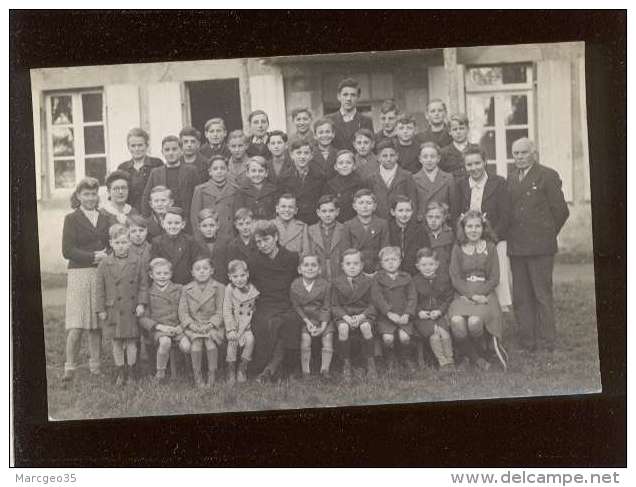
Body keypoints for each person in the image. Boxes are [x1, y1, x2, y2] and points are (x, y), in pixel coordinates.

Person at [506, 138, 569, 352]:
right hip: (517, 248)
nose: (519, 157)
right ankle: (527, 340)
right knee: (521, 295)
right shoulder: (512, 177)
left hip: (540, 248)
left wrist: (546, 235)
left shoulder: (547, 175)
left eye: (524, 152)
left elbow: (561, 211)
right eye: (516, 153)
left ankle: (547, 340)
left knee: (541, 293)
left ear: (534, 153)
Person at [61, 177, 110, 383]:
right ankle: (69, 367)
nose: (90, 198)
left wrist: (106, 255)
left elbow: (111, 242)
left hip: (99, 273)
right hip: (79, 273)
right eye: (86, 194)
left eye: (93, 194)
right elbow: (67, 251)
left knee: (95, 323)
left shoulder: (105, 217)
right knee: (77, 324)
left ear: (97, 195)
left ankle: (95, 365)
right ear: (78, 196)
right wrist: (92, 256)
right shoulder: (71, 218)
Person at [448, 210, 506, 370]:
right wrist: (471, 295)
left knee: (474, 323)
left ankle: (478, 353)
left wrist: (480, 295)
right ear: (463, 228)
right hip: (463, 293)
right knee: (457, 323)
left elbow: (494, 278)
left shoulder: (491, 247)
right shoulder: (458, 248)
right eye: (469, 226)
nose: (473, 230)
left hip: (485, 294)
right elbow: (455, 277)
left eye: (477, 226)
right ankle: (475, 357)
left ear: (483, 228)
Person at [455, 147, 512, 309]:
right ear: (465, 166)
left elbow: (505, 216)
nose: (474, 168)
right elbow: (455, 214)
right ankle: (474, 310)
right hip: (468, 239)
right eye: (469, 165)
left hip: (495, 239)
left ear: (485, 162)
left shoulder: (498, 183)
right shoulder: (461, 185)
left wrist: (492, 238)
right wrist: (465, 237)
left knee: (498, 275)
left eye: (477, 163)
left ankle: (501, 309)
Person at [247, 221, 302, 381]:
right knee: (267, 323)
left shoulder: (292, 257)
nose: (263, 245)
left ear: (276, 237)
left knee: (290, 321)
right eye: (258, 242)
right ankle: (272, 367)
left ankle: (276, 368)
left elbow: (298, 283)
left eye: (266, 240)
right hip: (265, 304)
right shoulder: (254, 261)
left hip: (287, 303)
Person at [96, 224, 148, 385]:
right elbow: (99, 288)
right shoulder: (104, 263)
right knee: (117, 341)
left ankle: (131, 371)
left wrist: (141, 303)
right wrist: (100, 309)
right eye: (117, 243)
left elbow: (143, 285)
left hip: (131, 308)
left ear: (129, 243)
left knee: (132, 341)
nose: (121, 246)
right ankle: (120, 371)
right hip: (113, 309)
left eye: (124, 242)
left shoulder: (137, 261)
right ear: (111, 243)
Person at [138, 258, 191, 383]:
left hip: (178, 327)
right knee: (165, 341)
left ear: (171, 274)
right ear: (151, 275)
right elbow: (143, 318)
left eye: (166, 273)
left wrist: (182, 326)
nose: (162, 276)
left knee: (187, 346)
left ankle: (190, 371)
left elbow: (187, 310)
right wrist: (159, 327)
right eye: (158, 273)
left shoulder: (179, 289)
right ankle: (160, 373)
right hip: (159, 329)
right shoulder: (148, 293)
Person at [331, 249, 378, 382]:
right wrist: (345, 317)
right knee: (343, 328)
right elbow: (334, 305)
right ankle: (346, 364)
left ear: (362, 265)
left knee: (365, 327)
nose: (352, 267)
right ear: (342, 265)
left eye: (356, 263)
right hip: (344, 315)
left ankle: (371, 363)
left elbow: (374, 304)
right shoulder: (336, 282)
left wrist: (362, 316)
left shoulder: (369, 281)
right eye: (348, 263)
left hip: (364, 313)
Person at [179, 255, 225, 387]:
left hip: (213, 325)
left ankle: (212, 374)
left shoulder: (219, 288)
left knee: (211, 344)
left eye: (206, 268)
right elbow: (183, 312)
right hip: (193, 326)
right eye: (198, 269)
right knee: (196, 344)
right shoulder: (186, 289)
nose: (202, 271)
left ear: (212, 271)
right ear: (192, 272)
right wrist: (191, 325)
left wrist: (211, 324)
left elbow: (220, 310)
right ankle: (197, 376)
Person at [371, 246, 417, 372]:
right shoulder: (378, 278)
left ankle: (405, 357)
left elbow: (412, 297)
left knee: (405, 338)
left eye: (394, 259)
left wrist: (407, 314)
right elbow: (377, 298)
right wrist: (388, 313)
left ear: (400, 261)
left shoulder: (406, 277)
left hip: (403, 315)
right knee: (388, 338)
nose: (391, 263)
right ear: (381, 263)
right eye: (386, 260)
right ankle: (390, 357)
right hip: (386, 317)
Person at [290, 254, 334, 380]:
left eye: (314, 265)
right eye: (306, 265)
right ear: (299, 269)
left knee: (328, 337)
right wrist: (307, 322)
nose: (310, 268)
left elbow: (326, 307)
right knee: (305, 339)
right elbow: (296, 306)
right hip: (305, 319)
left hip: (322, 318)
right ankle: (306, 371)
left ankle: (325, 369)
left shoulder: (325, 285)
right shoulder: (295, 285)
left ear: (319, 269)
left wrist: (323, 326)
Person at [141, 135, 200, 225]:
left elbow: (198, 196)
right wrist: (150, 221)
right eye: (167, 150)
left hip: (186, 221)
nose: (171, 153)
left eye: (174, 149)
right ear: (162, 152)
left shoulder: (191, 171)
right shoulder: (156, 173)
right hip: (163, 222)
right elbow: (146, 198)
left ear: (181, 151)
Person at [412, 248, 455, 370]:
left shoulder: (443, 279)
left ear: (437, 265)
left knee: (444, 332)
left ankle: (450, 359)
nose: (427, 268)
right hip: (422, 318)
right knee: (435, 334)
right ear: (417, 266)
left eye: (431, 264)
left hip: (439, 314)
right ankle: (442, 362)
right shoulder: (415, 281)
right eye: (424, 265)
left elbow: (447, 299)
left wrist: (440, 311)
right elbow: (412, 300)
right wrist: (419, 312)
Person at [223, 259, 259, 384]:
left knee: (250, 340)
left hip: (247, 325)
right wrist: (231, 329)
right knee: (232, 342)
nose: (239, 279)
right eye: (235, 276)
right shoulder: (229, 289)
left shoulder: (253, 290)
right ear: (230, 277)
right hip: (234, 325)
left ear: (247, 274)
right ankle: (231, 370)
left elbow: (254, 308)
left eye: (242, 275)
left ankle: (242, 368)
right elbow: (227, 309)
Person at [365, 139, 418, 220]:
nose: (389, 159)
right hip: (379, 221)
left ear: (397, 156)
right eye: (385, 156)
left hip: (400, 221)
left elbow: (413, 201)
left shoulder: (407, 176)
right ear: (378, 157)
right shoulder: (371, 178)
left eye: (392, 155)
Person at [151, 207, 205, 285]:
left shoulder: (190, 241)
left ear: (183, 224)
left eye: (177, 223)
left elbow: (196, 263)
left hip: (186, 284)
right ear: (163, 224)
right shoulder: (157, 242)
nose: (173, 226)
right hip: (165, 283)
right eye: (169, 223)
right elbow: (155, 265)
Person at [189, 154, 238, 242]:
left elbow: (237, 217)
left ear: (228, 170)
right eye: (215, 169)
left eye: (222, 168)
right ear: (210, 172)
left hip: (229, 237)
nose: (219, 171)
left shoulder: (235, 190)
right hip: (209, 237)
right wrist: (200, 240)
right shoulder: (200, 190)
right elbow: (195, 218)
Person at [342, 188, 390, 275]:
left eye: (369, 203)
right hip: (356, 271)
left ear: (374, 206)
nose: (365, 206)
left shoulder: (382, 224)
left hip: (377, 271)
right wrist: (358, 270)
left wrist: (377, 271)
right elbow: (346, 252)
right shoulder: (348, 225)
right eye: (361, 203)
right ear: (354, 206)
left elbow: (385, 251)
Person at [278, 139, 326, 225]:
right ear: (292, 155)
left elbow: (322, 201)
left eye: (306, 153)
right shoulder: (284, 177)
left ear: (311, 156)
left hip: (313, 220)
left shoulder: (320, 176)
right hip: (292, 220)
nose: (302, 157)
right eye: (298, 153)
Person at [117, 127, 163, 213]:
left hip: (153, 214)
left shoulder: (157, 164)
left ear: (147, 145)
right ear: (128, 147)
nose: (137, 149)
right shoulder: (122, 168)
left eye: (140, 145)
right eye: (133, 146)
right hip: (130, 215)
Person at [413, 142, 456, 224]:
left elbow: (453, 206)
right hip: (422, 224)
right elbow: (414, 206)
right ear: (420, 159)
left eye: (432, 156)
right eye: (425, 157)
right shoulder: (414, 179)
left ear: (438, 158)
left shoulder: (448, 178)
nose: (429, 160)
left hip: (443, 223)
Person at [307, 194, 347, 281]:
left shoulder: (344, 229)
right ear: (318, 212)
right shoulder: (310, 230)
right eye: (324, 211)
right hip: (318, 274)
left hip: (339, 273)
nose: (327, 214)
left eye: (331, 211)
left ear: (337, 212)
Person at [327, 77, 374, 151]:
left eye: (353, 95)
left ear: (358, 97)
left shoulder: (366, 121)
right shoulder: (329, 120)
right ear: (338, 96)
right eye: (345, 95)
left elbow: (370, 148)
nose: (349, 98)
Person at [388, 195, 430, 275]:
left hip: (414, 273)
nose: (404, 214)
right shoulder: (388, 229)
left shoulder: (420, 230)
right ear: (393, 212)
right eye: (400, 210)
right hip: (392, 273)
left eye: (408, 210)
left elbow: (425, 253)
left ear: (412, 212)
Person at [324, 149, 366, 223]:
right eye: (340, 163)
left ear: (354, 166)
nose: (344, 166)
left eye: (348, 163)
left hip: (355, 221)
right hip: (336, 222)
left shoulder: (360, 183)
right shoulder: (330, 184)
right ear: (335, 167)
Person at [232, 156, 278, 221]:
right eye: (253, 171)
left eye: (261, 171)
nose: (257, 174)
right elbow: (238, 214)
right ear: (247, 173)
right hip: (248, 227)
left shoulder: (273, 190)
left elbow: (277, 213)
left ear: (266, 173)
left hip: (269, 227)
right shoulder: (241, 191)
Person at [194, 208, 229, 284]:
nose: (208, 229)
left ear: (217, 226)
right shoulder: (195, 243)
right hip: (201, 283)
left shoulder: (225, 242)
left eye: (212, 225)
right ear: (199, 227)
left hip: (222, 282)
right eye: (204, 226)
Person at [439, 113, 478, 179]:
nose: (458, 132)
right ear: (449, 132)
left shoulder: (476, 149)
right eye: (455, 129)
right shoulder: (443, 152)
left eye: (461, 128)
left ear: (467, 129)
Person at [424, 201, 455, 275]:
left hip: (445, 274)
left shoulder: (450, 235)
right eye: (430, 217)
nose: (433, 220)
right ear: (425, 217)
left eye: (437, 217)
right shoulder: (422, 235)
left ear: (444, 218)